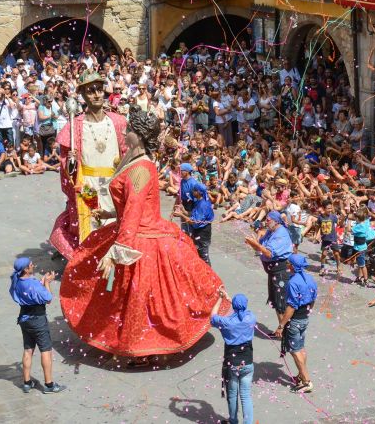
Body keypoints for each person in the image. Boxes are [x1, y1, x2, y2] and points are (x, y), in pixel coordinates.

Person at [59, 108, 229, 362]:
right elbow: (128, 205)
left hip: (141, 238)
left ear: (137, 136)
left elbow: (134, 211)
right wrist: (106, 215)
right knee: (129, 296)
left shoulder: (140, 168)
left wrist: (116, 252)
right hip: (133, 231)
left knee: (141, 298)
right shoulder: (133, 159)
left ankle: (144, 350)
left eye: (128, 131)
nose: (124, 133)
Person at [49, 71, 127, 260]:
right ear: (83, 95)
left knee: (115, 222)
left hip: (113, 184)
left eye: (100, 89)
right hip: (88, 185)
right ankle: (91, 263)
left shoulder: (118, 121)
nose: (97, 94)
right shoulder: (75, 126)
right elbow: (68, 169)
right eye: (91, 91)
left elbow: (126, 153)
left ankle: (114, 263)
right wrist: (72, 162)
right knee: (92, 224)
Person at [9, 257, 66, 394]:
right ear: (26, 269)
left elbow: (29, 292)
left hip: (24, 319)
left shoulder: (17, 281)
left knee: (28, 350)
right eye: (31, 265)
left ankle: (27, 383)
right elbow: (48, 298)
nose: (33, 265)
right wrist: (47, 282)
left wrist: (41, 282)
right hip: (38, 320)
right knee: (46, 351)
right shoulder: (33, 284)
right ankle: (49, 385)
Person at [211, 288, 255, 424]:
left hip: (232, 363)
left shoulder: (227, 322)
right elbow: (242, 311)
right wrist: (230, 299)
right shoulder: (251, 317)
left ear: (234, 307)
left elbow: (212, 316)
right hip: (248, 363)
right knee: (246, 396)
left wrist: (220, 298)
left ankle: (233, 421)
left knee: (232, 395)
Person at [274, 254, 317, 393]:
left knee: (295, 350)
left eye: (288, 263)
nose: (287, 265)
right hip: (304, 318)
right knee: (301, 348)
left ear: (292, 266)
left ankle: (306, 381)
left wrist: (281, 325)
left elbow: (291, 307)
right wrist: (308, 312)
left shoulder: (293, 282)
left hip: (295, 320)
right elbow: (313, 299)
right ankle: (301, 375)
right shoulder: (310, 278)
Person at [244, 211, 293, 326]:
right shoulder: (271, 231)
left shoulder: (281, 234)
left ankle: (284, 330)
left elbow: (269, 253)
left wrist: (256, 245)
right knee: (275, 301)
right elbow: (260, 246)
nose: (266, 221)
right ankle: (281, 329)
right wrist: (253, 243)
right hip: (272, 272)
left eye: (268, 220)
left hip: (280, 272)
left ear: (276, 221)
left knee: (280, 302)